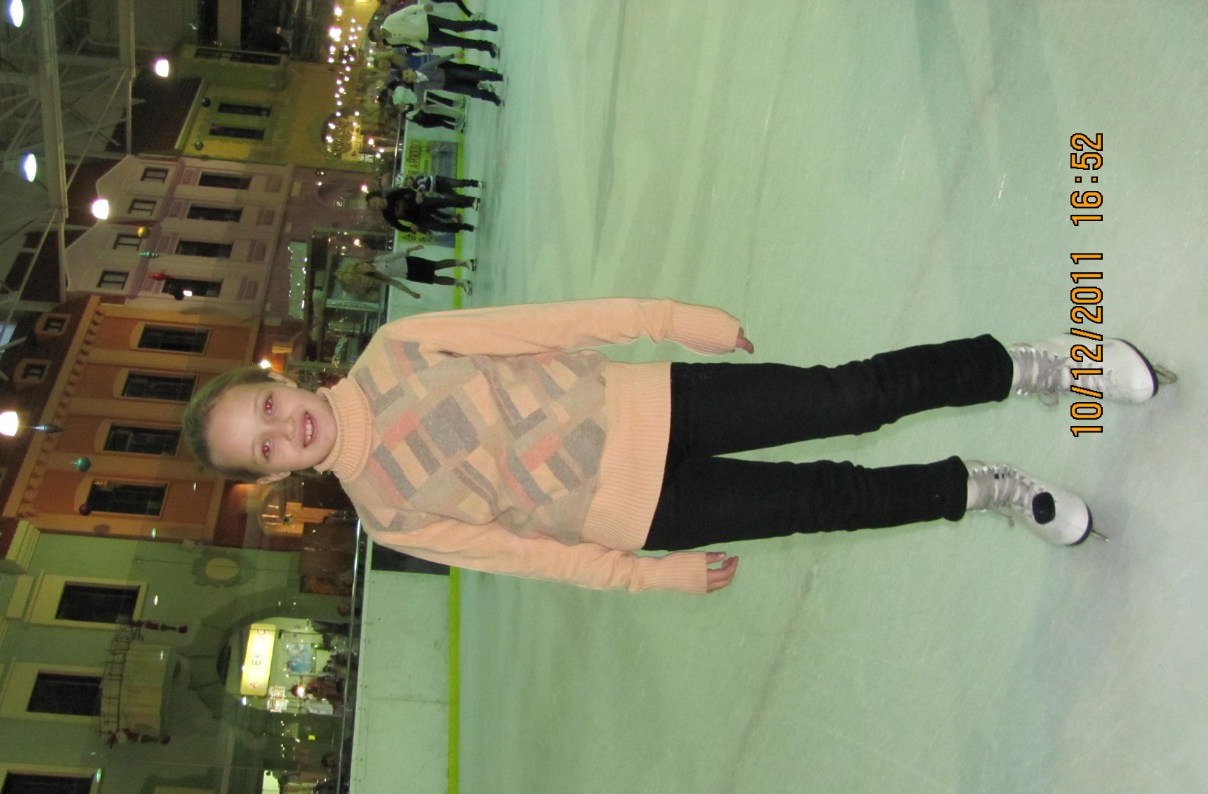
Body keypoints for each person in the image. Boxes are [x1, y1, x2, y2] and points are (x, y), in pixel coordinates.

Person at [180, 299, 1169, 594]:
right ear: (275, 474)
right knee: (830, 499)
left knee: (853, 397)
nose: (280, 429)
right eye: (263, 449)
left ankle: (1041, 366)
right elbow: (525, 555)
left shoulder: (399, 347)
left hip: (661, 405)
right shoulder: (388, 514)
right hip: (648, 514)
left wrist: (667, 319)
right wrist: (645, 576)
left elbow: (549, 326)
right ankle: (986, 488)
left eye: (264, 407)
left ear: (280, 379)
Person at [337, 248, 475, 298]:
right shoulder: (378, 276)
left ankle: (464, 263)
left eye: (361, 266)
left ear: (362, 262)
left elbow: (394, 255)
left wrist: (411, 249)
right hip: (410, 275)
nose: (363, 268)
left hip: (410, 263)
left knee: (436, 265)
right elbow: (395, 283)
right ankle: (461, 282)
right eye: (361, 270)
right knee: (435, 279)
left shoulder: (377, 260)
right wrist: (410, 293)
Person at [374, 3, 498, 58]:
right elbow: (409, 41)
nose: (380, 35)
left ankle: (483, 24)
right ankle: (487, 46)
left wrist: (422, 7)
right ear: (378, 40)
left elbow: (407, 10)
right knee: (458, 42)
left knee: (457, 27)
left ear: (377, 29)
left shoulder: (390, 20)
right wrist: (422, 47)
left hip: (427, 21)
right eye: (378, 37)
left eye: (377, 33)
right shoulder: (391, 41)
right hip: (428, 36)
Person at [366, 187, 474, 234]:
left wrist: (417, 194)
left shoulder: (392, 195)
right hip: (419, 219)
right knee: (440, 227)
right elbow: (399, 226)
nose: (377, 206)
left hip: (421, 203)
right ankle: (462, 227)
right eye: (374, 207)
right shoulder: (387, 215)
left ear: (377, 197)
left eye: (375, 202)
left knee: (444, 202)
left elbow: (408, 190)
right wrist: (410, 228)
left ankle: (469, 202)